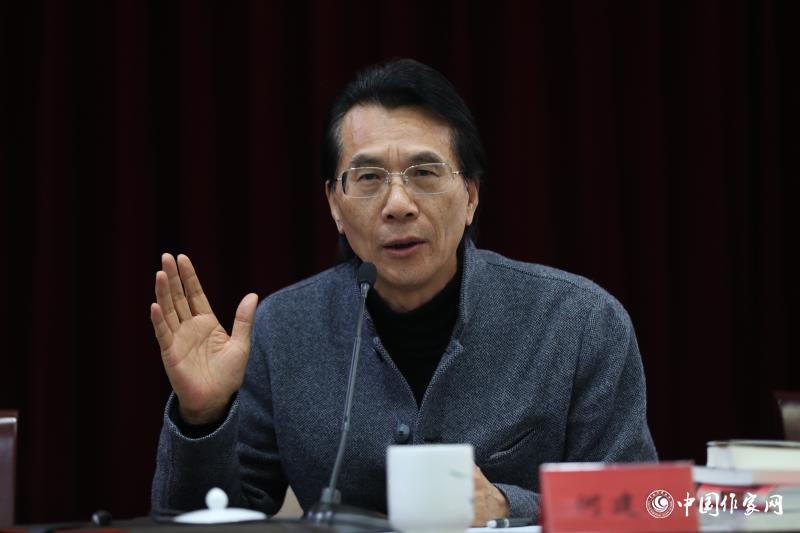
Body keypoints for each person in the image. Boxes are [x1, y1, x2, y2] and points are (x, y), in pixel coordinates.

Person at [150, 59, 657, 525]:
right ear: (335, 205)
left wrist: (508, 506)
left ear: (471, 195)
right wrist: (203, 418)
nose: (398, 204)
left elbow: (642, 508)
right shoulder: (281, 329)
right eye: (369, 177)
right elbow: (209, 518)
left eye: (425, 173)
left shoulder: (579, 322)